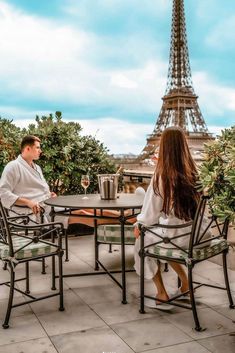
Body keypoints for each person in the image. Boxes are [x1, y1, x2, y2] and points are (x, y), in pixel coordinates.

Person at [133, 126, 206, 307]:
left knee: (142, 240)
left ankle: (161, 292)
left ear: (164, 147)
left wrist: (138, 225)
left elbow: (149, 217)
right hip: (200, 236)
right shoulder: (196, 172)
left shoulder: (162, 176)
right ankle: (186, 284)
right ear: (184, 146)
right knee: (164, 237)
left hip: (179, 239)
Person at [0, 135, 68, 227]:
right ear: (28, 148)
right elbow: (3, 193)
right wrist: (28, 202)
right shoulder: (13, 166)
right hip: (27, 214)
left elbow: (38, 190)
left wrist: (49, 195)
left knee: (83, 211)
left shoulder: (37, 167)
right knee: (80, 213)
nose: (40, 151)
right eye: (37, 148)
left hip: (45, 206)